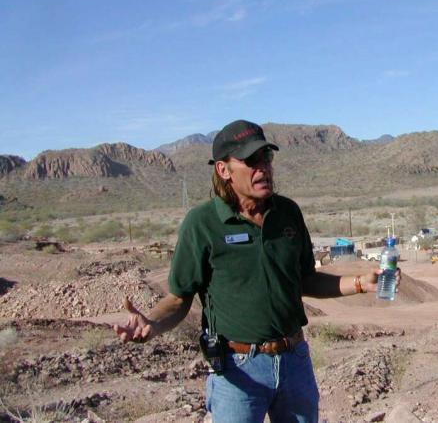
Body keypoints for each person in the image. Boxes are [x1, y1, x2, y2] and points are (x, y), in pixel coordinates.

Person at [113, 119, 401, 423]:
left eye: (267, 157)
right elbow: (178, 299)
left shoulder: (287, 213)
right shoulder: (201, 224)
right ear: (224, 170)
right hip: (237, 369)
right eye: (251, 160)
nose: (262, 167)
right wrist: (152, 324)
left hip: (294, 361)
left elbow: (305, 279)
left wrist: (360, 283)